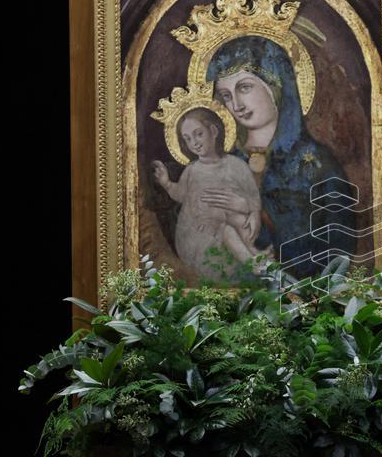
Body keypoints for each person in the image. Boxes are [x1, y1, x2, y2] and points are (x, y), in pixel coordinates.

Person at [204, 35, 357, 280]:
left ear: (276, 86)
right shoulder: (222, 161)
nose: (236, 105)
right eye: (226, 95)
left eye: (244, 88)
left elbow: (339, 241)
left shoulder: (317, 164)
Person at [151, 107, 264, 280]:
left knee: (238, 219)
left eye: (198, 134)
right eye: (187, 139)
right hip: (197, 235)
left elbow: (252, 196)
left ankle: (253, 253)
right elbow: (180, 195)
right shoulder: (192, 170)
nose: (194, 142)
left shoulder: (236, 166)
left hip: (228, 227)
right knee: (226, 229)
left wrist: (254, 213)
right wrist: (166, 183)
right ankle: (253, 263)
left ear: (213, 131)